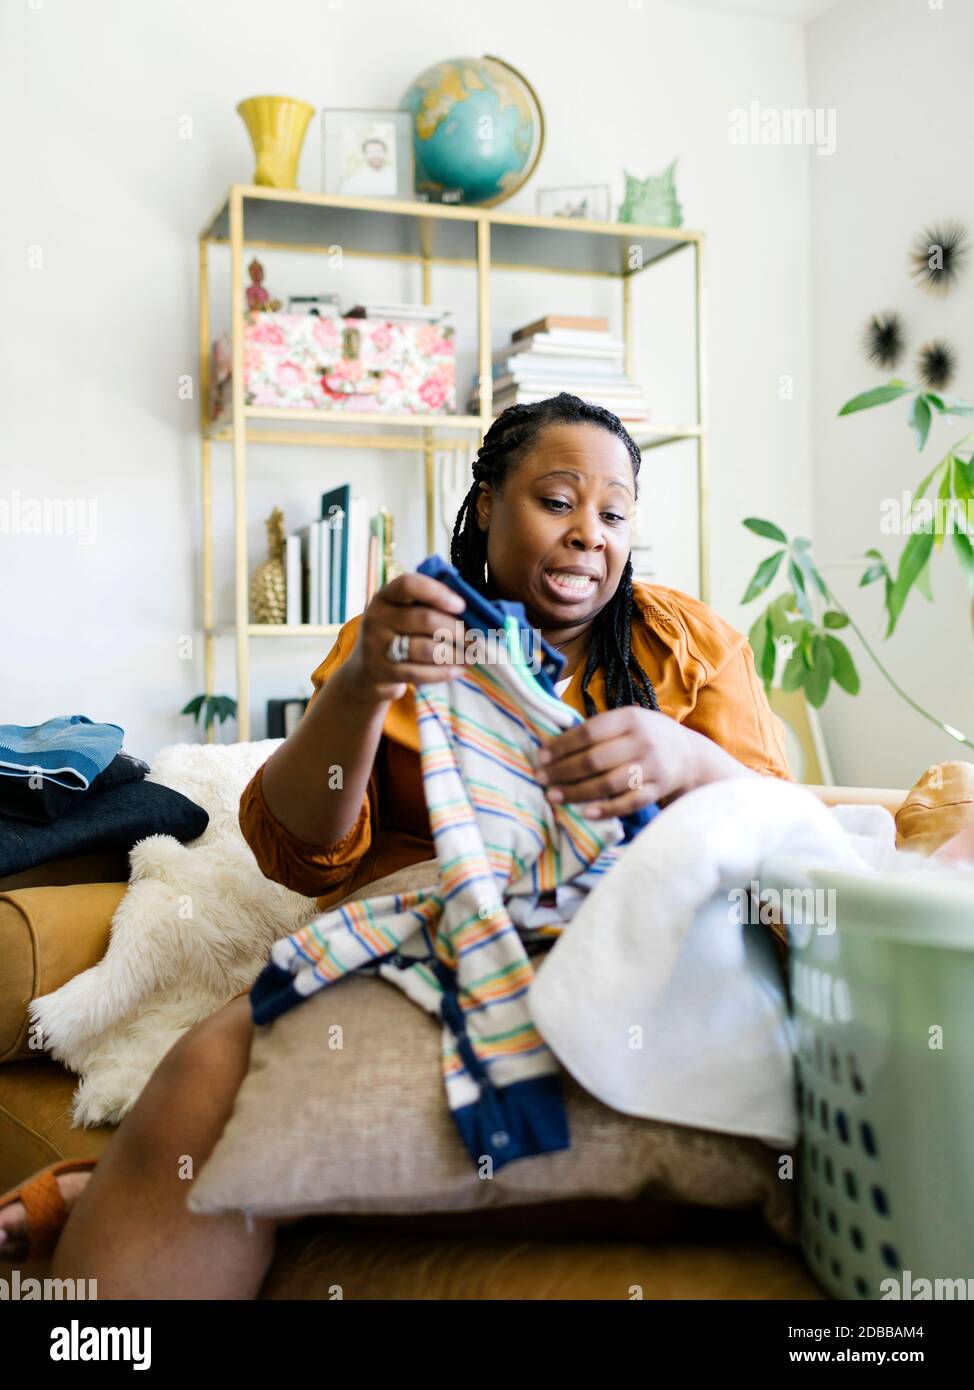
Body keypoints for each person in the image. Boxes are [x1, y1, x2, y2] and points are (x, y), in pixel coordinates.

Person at [0, 394, 791, 1298]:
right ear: (487, 503)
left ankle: (101, 1193)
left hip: (631, 911)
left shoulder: (686, 646)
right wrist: (369, 683)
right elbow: (299, 849)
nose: (589, 535)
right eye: (558, 500)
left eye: (613, 515)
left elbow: (779, 830)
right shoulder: (402, 638)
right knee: (216, 1068)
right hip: (413, 911)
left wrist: (684, 758)